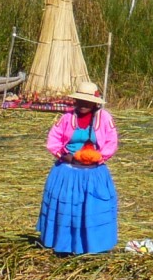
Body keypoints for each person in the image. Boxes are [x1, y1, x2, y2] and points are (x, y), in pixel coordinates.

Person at [38, 82, 120, 254]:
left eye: (86, 101)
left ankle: (94, 246)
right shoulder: (67, 118)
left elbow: (111, 142)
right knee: (67, 209)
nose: (82, 105)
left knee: (91, 208)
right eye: (79, 101)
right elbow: (54, 139)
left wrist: (98, 158)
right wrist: (63, 155)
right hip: (67, 172)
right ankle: (65, 246)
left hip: (93, 173)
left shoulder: (104, 118)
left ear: (95, 103)